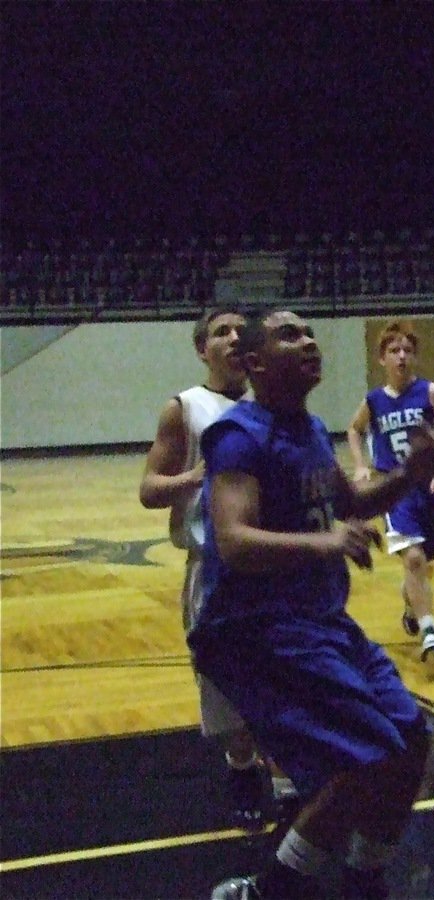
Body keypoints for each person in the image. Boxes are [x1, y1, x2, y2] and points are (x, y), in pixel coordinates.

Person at [192, 310, 434, 900]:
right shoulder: (239, 436)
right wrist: (325, 541)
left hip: (322, 623)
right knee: (362, 761)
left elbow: (353, 499)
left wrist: (412, 472)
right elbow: (233, 539)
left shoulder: (307, 428)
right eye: (289, 335)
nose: (307, 341)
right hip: (260, 630)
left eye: (308, 332)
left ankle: (364, 874)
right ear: (255, 364)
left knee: (409, 742)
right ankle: (271, 889)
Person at [138, 308, 294, 829]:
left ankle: (285, 784)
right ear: (202, 349)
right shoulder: (184, 408)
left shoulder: (271, 405)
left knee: (282, 679)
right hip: (212, 570)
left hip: (269, 565)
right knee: (227, 692)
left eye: (238, 332)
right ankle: (241, 763)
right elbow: (148, 490)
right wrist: (200, 474)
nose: (231, 338)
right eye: (219, 332)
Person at [347, 321, 434, 671]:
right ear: (382, 358)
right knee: (413, 560)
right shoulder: (374, 400)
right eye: (394, 351)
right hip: (396, 489)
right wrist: (361, 466)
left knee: (422, 565)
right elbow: (354, 430)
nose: (402, 357)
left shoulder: (433, 393)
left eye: (407, 351)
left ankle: (412, 603)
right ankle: (431, 633)